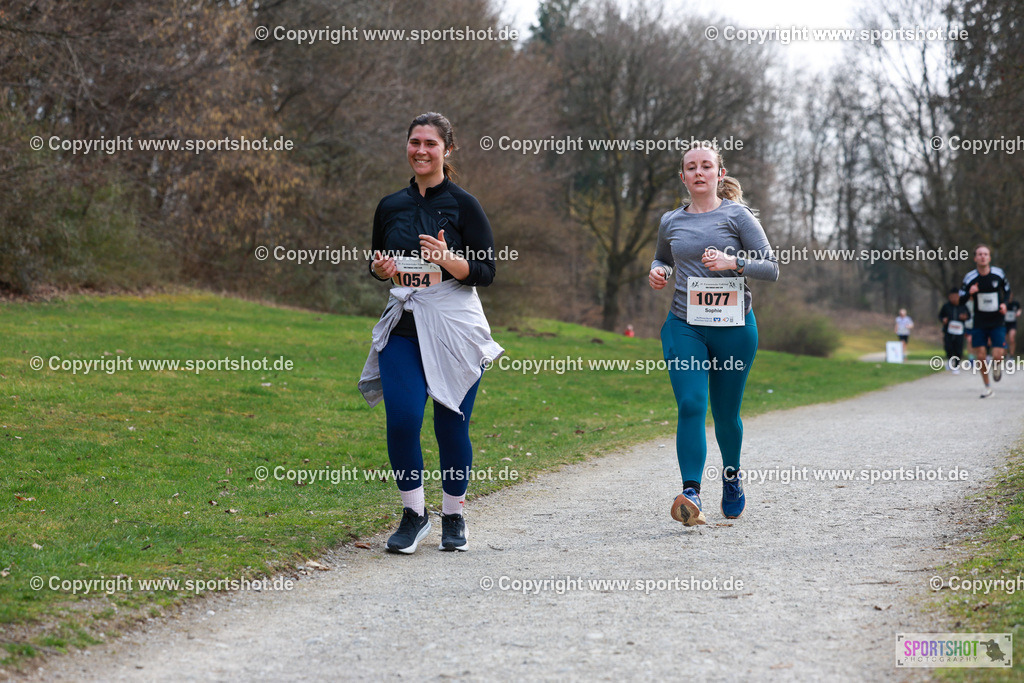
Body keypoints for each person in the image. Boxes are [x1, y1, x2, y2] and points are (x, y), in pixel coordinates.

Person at [358, 112, 503, 553]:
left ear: (447, 150)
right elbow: (379, 262)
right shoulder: (390, 206)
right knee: (402, 420)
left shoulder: (464, 205)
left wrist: (447, 259)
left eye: (430, 143)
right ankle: (414, 514)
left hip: (454, 329)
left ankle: (454, 517)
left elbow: (486, 272)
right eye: (414, 142)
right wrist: (379, 269)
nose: (421, 150)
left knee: (450, 425)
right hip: (403, 325)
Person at [649, 143, 779, 526]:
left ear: (720, 174)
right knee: (691, 403)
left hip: (735, 329)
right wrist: (658, 271)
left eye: (707, 166)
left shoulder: (738, 216)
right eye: (692, 167)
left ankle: (732, 475)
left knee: (726, 414)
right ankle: (691, 492)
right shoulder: (671, 221)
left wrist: (732, 261)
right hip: (685, 324)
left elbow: (771, 267)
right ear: (683, 176)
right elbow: (662, 258)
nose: (699, 172)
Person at [958, 244, 1010, 398]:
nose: (982, 256)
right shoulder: (969, 278)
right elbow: (960, 300)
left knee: (998, 354)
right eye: (979, 254)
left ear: (989, 257)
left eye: (985, 254)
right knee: (980, 356)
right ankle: (987, 387)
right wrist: (969, 293)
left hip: (997, 319)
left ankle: (997, 367)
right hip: (979, 320)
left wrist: (1004, 304)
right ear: (975, 258)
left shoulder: (998, 274)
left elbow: (1007, 291)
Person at [938, 288, 969, 374]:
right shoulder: (946, 306)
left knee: (958, 348)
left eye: (956, 297)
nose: (954, 299)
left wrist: (964, 317)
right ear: (949, 297)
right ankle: (950, 360)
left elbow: (968, 316)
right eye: (952, 297)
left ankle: (956, 365)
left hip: (959, 331)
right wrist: (943, 319)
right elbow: (940, 316)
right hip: (948, 330)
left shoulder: (963, 306)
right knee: (948, 347)